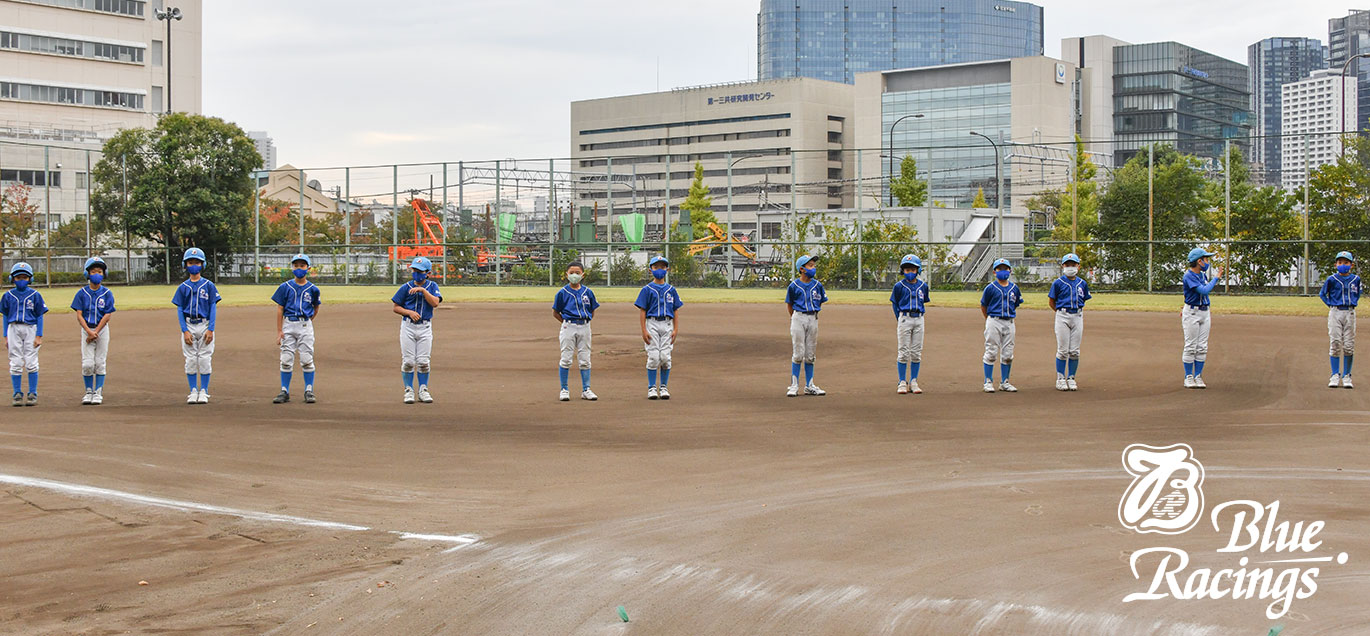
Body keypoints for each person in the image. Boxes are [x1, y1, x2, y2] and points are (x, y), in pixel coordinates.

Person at [172, 248, 221, 404]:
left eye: (197, 263)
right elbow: (180, 310)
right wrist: (184, 331)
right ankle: (193, 390)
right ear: (185, 265)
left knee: (205, 359)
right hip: (189, 324)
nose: (194, 265)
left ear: (203, 264)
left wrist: (211, 328)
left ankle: (204, 391)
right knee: (191, 359)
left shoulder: (209, 285)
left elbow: (213, 307)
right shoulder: (182, 287)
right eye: (191, 263)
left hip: (205, 323)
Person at [392, 256, 442, 404]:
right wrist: (409, 312)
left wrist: (422, 290)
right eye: (414, 270)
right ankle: (408, 390)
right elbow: (396, 307)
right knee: (408, 361)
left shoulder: (432, 286)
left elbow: (435, 303)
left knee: (423, 361)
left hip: (425, 327)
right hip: (408, 327)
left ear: (428, 273)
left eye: (419, 271)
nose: (416, 273)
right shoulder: (405, 287)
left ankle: (423, 389)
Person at [272, 253, 321, 404]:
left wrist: (307, 321)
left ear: (308, 268)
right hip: (288, 324)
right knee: (286, 359)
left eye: (302, 265)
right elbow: (280, 309)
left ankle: (309, 390)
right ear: (292, 267)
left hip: (305, 325)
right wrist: (280, 330)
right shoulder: (284, 287)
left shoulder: (313, 289)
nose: (299, 268)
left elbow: (316, 307)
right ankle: (284, 391)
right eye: (296, 265)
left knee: (307, 358)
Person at [634, 256, 682, 400]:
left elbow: (675, 310)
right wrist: (644, 330)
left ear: (667, 269)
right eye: (656, 267)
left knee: (665, 357)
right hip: (652, 323)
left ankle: (664, 387)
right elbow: (642, 310)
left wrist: (675, 329)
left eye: (662, 267)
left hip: (667, 324)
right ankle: (651, 388)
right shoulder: (646, 289)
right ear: (651, 270)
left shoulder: (671, 290)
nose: (659, 270)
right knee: (654, 357)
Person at [71, 257, 115, 405]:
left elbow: (107, 315)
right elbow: (79, 314)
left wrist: (96, 331)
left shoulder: (107, 293)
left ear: (104, 274)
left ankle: (98, 391)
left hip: (101, 330)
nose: (97, 274)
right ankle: (88, 391)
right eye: (93, 271)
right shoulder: (82, 293)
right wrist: (89, 332)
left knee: (100, 362)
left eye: (100, 271)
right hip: (86, 329)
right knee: (87, 364)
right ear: (87, 274)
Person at [553, 261, 599, 401]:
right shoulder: (562, 293)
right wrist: (567, 323)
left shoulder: (588, 292)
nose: (574, 275)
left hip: (585, 326)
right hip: (569, 326)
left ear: (583, 275)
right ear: (566, 275)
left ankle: (586, 389)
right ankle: (564, 389)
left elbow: (592, 309)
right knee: (566, 358)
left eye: (577, 273)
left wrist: (585, 322)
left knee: (585, 359)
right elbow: (556, 312)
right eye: (571, 273)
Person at [3, 262, 46, 407]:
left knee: (31, 360)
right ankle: (17, 392)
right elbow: (5, 315)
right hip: (13, 328)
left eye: (25, 277)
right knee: (15, 360)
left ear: (30, 279)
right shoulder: (8, 296)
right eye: (18, 277)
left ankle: (32, 392)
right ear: (12, 279)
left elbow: (40, 315)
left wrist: (39, 335)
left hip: (30, 328)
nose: (21, 280)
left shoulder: (35, 295)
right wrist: (5, 335)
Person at [1047, 253, 1091, 391]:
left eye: (1073, 264)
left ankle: (1071, 377)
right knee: (1062, 350)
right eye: (1068, 265)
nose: (1070, 267)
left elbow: (1083, 299)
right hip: (1062, 315)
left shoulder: (1082, 283)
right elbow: (1051, 302)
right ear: (1063, 266)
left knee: (1075, 351)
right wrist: (1061, 313)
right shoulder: (1058, 283)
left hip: (1077, 315)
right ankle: (1060, 378)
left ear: (1078, 266)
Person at [786, 254, 828, 397]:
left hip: (813, 318)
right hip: (798, 317)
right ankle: (794, 385)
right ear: (802, 269)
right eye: (810, 265)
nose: (813, 268)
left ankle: (809, 385)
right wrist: (796, 318)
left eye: (814, 265)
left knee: (810, 354)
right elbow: (789, 304)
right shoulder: (794, 286)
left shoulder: (818, 285)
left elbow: (821, 300)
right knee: (798, 353)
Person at [1181, 247, 1223, 389]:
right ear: (1199, 261)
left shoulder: (1201, 276)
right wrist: (1216, 278)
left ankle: (1198, 376)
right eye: (1206, 259)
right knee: (1191, 346)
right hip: (1192, 313)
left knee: (1202, 347)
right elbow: (1204, 290)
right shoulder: (1189, 276)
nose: (1207, 262)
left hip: (1205, 312)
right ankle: (1188, 377)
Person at [980, 258, 1023, 393]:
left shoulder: (1014, 288)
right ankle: (988, 381)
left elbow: (1015, 304)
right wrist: (990, 320)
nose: (1003, 271)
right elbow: (983, 305)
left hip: (1009, 321)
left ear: (1010, 270)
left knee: (1008, 354)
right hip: (994, 320)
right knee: (991, 351)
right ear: (994, 272)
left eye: (1005, 269)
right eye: (1000, 269)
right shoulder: (990, 288)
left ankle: (1005, 382)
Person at [889, 254, 929, 394]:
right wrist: (899, 319)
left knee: (916, 352)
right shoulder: (899, 286)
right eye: (907, 270)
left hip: (919, 319)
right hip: (904, 318)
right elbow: (895, 304)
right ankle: (901, 381)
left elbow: (923, 301)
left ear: (918, 270)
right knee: (903, 352)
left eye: (913, 269)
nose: (910, 273)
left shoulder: (923, 286)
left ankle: (913, 381)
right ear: (902, 271)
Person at [1320, 250, 1360, 389]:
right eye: (1340, 262)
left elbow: (1357, 293)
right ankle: (1335, 374)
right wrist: (1331, 304)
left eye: (1346, 262)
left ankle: (1347, 376)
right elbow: (1322, 294)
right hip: (1335, 312)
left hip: (1349, 313)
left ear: (1351, 265)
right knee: (1335, 342)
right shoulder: (1332, 279)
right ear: (1336, 264)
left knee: (1349, 345)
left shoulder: (1356, 279)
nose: (1343, 265)